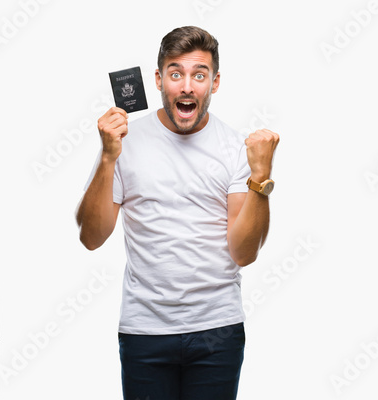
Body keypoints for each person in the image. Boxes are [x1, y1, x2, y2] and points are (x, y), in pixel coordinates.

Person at [76, 26, 279, 400]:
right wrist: (107, 157)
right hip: (144, 332)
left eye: (199, 75)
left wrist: (260, 178)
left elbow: (244, 253)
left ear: (214, 84)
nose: (187, 86)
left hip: (218, 330)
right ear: (158, 80)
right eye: (176, 73)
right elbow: (91, 237)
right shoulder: (123, 144)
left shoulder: (235, 148)